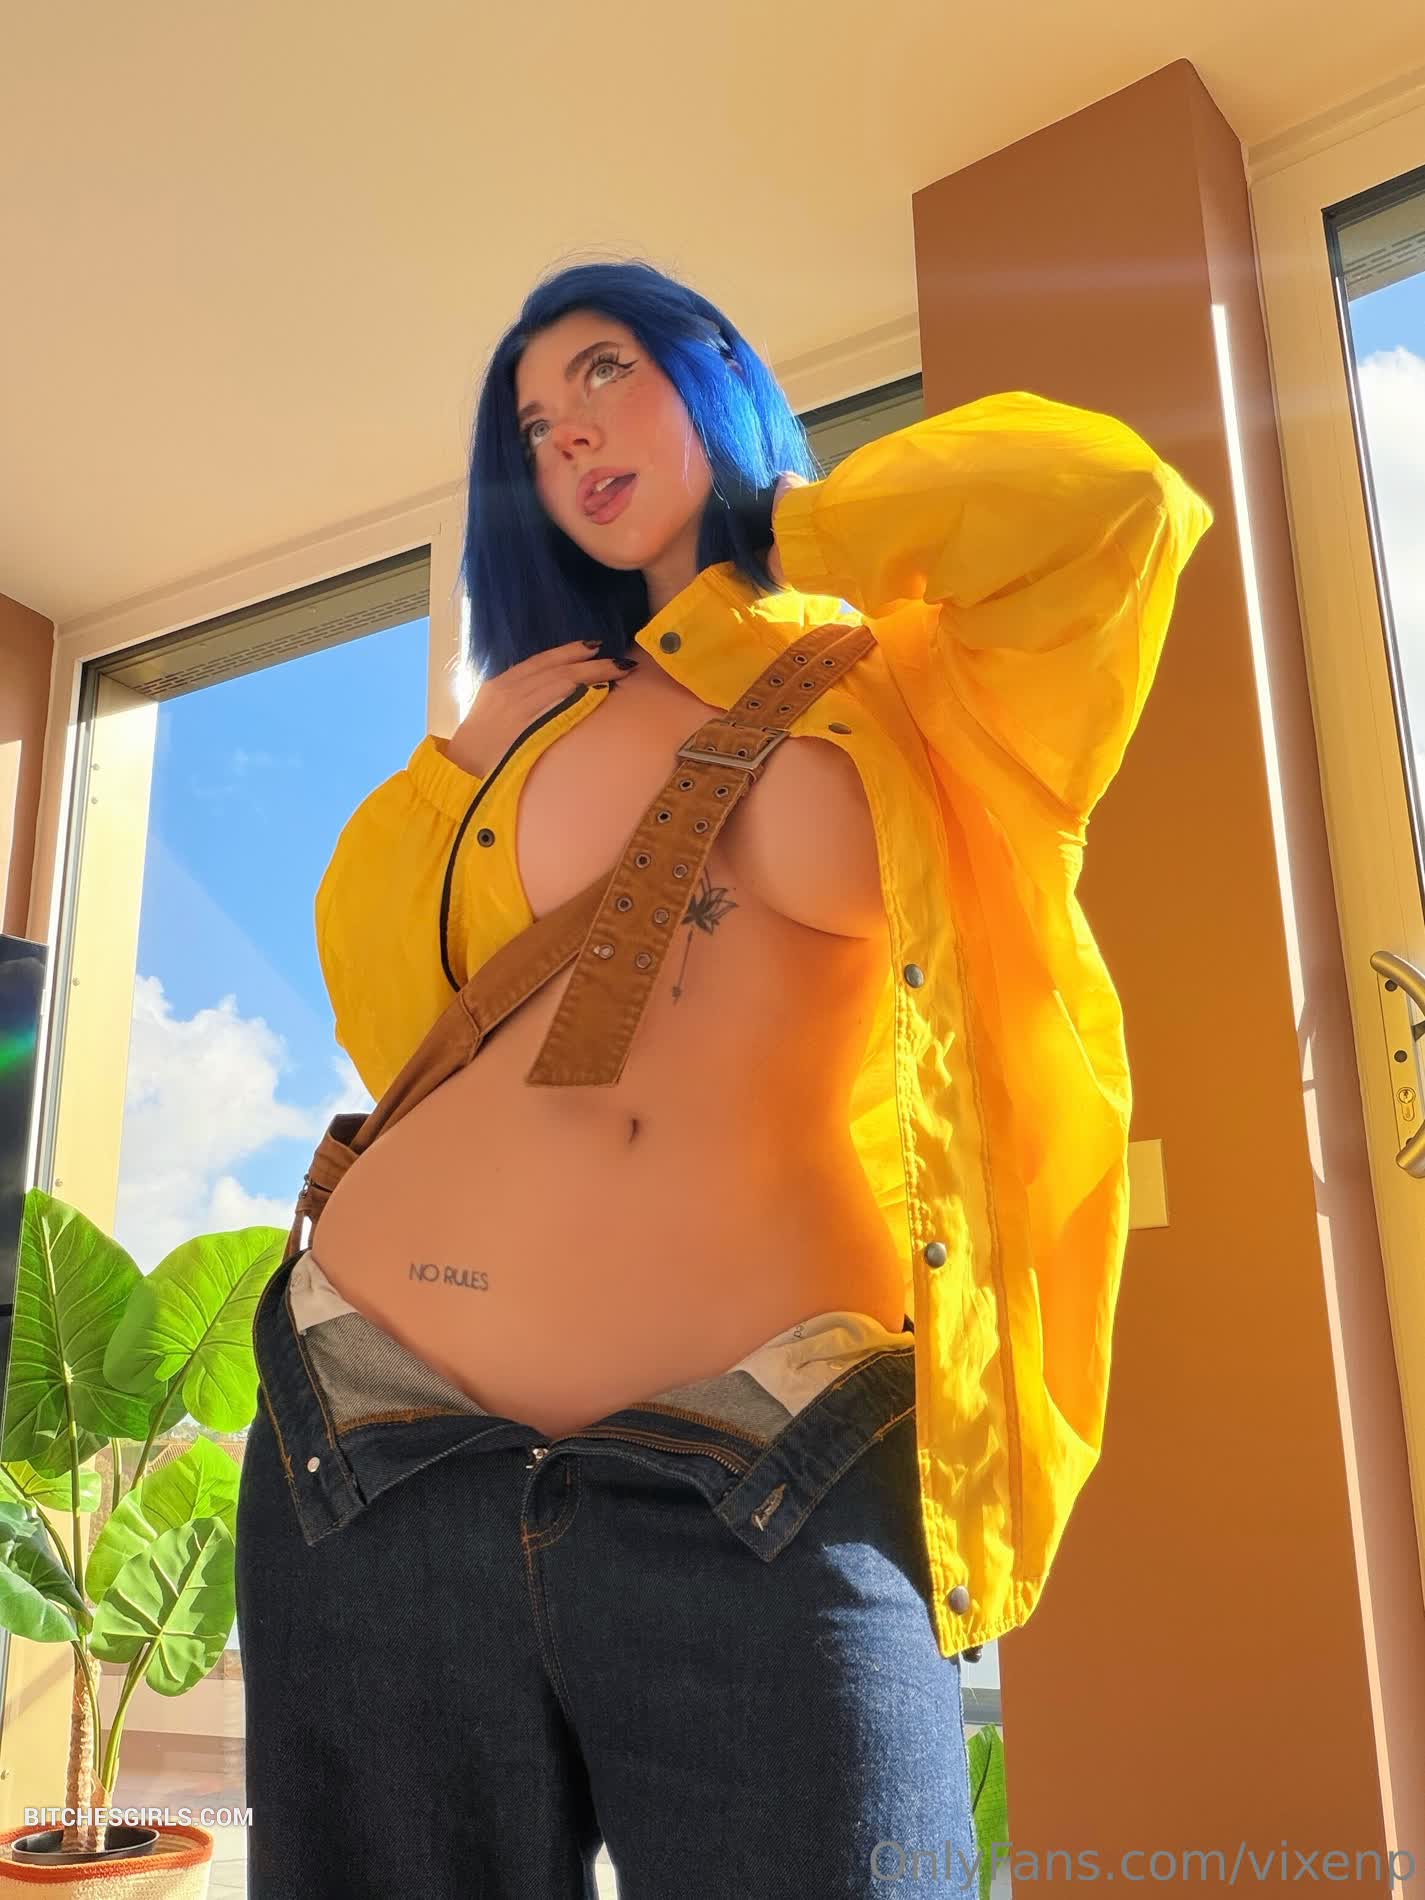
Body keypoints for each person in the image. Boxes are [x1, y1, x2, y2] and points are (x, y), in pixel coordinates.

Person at [235, 257, 1213, 1898]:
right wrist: (455, 769)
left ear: (711, 373)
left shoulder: (918, 678)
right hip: (372, 1428)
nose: (567, 435)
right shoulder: (541, 721)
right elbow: (395, 1018)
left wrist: (781, 532)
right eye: (531, 425)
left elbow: (1109, 507)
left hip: (772, 1449)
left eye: (604, 371)